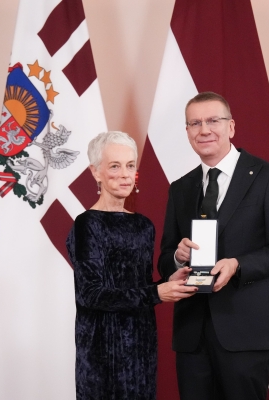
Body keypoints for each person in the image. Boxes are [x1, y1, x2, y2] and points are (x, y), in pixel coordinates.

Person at [158, 92, 269, 400]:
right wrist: (178, 259)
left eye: (213, 121)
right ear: (187, 132)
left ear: (231, 127)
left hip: (246, 331)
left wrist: (237, 264)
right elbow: (165, 257)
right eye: (195, 123)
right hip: (192, 335)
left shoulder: (267, 177)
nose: (204, 130)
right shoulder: (180, 188)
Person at [66, 131, 197, 400]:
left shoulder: (143, 225)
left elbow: (138, 287)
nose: (125, 174)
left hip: (141, 344)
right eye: (115, 166)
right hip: (102, 349)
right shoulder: (87, 223)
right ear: (96, 172)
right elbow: (90, 294)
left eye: (130, 165)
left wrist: (169, 283)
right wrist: (157, 293)